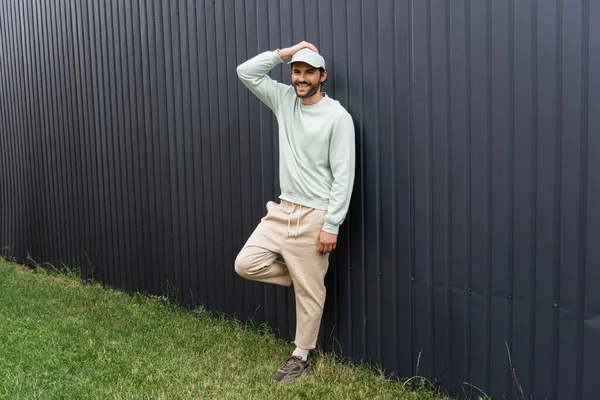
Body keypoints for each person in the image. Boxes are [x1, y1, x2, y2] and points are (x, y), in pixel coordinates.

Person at [234, 41, 355, 383]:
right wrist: (286, 52)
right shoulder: (285, 100)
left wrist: (331, 225)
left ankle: (299, 356)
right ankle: (301, 278)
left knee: (310, 292)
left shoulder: (338, 117)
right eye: (296, 72)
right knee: (246, 263)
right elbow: (246, 72)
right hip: (282, 208)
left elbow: (344, 176)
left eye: (308, 73)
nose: (301, 79)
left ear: (322, 76)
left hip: (316, 213)